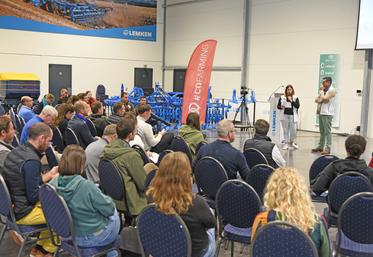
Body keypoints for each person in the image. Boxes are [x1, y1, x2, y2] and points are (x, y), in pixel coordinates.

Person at [49, 145, 120, 257]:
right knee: (114, 213)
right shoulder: (86, 186)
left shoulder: (52, 184)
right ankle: (112, 253)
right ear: (81, 166)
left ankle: (111, 252)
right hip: (90, 238)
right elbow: (109, 209)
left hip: (66, 235)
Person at [3, 123, 59, 256]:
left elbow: (23, 181)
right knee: (61, 215)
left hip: (13, 208)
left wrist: (49, 175)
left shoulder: (17, 151)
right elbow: (33, 196)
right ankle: (47, 251)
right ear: (42, 138)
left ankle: (38, 250)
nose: (49, 145)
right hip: (23, 212)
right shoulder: (32, 161)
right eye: (49, 141)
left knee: (53, 207)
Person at [147, 152, 216, 257]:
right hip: (193, 253)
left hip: (162, 249)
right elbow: (211, 223)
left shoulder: (151, 196)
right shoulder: (196, 202)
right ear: (187, 177)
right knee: (211, 217)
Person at [252, 168, 330, 257]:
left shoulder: (261, 220)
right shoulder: (317, 224)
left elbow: (255, 251)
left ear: (272, 192)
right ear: (302, 193)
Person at [102, 113, 147, 215]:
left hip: (113, 197)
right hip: (130, 201)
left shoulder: (107, 149)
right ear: (131, 134)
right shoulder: (131, 155)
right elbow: (143, 184)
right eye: (135, 131)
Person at [312, 77, 337, 155]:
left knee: (327, 132)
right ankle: (320, 146)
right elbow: (317, 100)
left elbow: (325, 98)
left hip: (328, 113)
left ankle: (328, 148)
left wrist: (322, 94)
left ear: (328, 82)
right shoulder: (324, 91)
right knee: (322, 131)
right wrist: (322, 97)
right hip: (321, 112)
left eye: (324, 82)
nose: (322, 84)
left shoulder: (332, 90)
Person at [277, 85, 300, 150]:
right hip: (285, 115)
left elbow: (298, 106)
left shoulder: (295, 97)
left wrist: (291, 101)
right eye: (288, 89)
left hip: (293, 116)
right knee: (286, 130)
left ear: (292, 90)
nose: (289, 91)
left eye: (290, 89)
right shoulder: (282, 97)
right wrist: (281, 106)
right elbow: (278, 106)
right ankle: (286, 143)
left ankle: (292, 142)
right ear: (286, 90)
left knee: (293, 130)